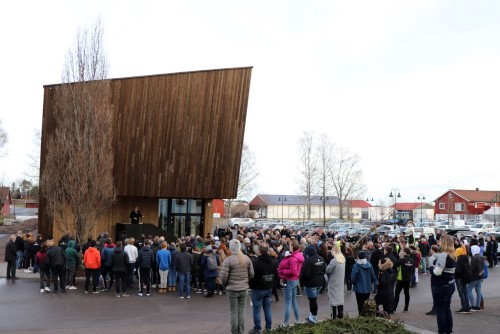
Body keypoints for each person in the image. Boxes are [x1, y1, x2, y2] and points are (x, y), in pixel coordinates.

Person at [219, 239, 254, 334]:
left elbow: (223, 276)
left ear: (230, 247)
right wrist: (246, 282)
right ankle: (241, 330)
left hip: (232, 289)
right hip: (243, 288)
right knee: (241, 311)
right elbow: (251, 274)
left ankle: (234, 331)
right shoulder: (246, 258)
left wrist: (225, 284)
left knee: (233, 311)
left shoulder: (228, 260)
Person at [248, 242, 277, 334]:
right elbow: (276, 275)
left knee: (257, 309)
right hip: (268, 288)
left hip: (258, 289)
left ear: (259, 251)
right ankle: (268, 328)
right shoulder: (272, 262)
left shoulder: (256, 263)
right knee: (267, 308)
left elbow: (252, 277)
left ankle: (257, 329)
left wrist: (251, 286)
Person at [431, 235, 457, 334]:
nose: (439, 241)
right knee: (447, 308)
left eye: (440, 240)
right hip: (450, 285)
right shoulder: (453, 254)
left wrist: (431, 269)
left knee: (440, 310)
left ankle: (441, 331)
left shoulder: (443, 255)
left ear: (444, 242)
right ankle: (449, 331)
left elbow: (437, 272)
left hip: (441, 286)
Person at [277, 240, 304, 327]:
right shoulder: (299, 255)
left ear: (292, 247)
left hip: (290, 280)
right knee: (294, 301)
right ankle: (298, 320)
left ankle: (285, 323)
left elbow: (293, 271)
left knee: (288, 303)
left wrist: (282, 271)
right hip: (295, 280)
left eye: (290, 245)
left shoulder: (293, 258)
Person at [301, 245, 326, 324]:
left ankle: (313, 317)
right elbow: (324, 270)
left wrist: (302, 282)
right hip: (320, 283)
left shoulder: (308, 261)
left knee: (312, 300)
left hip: (311, 284)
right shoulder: (321, 258)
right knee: (313, 300)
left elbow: (306, 274)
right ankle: (311, 315)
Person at [351, 251, 377, 316]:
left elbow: (353, 278)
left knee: (360, 304)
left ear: (358, 257)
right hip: (368, 288)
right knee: (366, 304)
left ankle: (361, 316)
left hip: (358, 288)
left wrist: (354, 283)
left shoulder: (356, 266)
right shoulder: (369, 265)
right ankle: (366, 316)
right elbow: (373, 277)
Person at [326, 245, 346, 319]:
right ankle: (340, 314)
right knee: (340, 298)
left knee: (333, 300)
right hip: (340, 281)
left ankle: (333, 316)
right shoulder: (343, 259)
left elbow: (328, 270)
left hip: (333, 281)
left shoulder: (334, 260)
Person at [393, 247, 414, 312]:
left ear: (405, 252)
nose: (401, 252)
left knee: (397, 293)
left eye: (402, 251)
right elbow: (412, 270)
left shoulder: (401, 260)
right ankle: (406, 308)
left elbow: (394, 266)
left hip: (401, 279)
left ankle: (394, 308)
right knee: (406, 293)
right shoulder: (411, 260)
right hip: (408, 279)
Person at [454, 247, 471, 314]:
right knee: (465, 292)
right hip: (465, 278)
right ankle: (467, 307)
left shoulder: (459, 260)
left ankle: (464, 308)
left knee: (461, 293)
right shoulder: (465, 259)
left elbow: (457, 270)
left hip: (459, 278)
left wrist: (454, 273)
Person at [468, 245, 485, 312]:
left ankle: (473, 306)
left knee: (468, 290)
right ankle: (478, 306)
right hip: (480, 277)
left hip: (474, 277)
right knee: (478, 291)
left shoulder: (474, 258)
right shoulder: (481, 257)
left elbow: (471, 269)